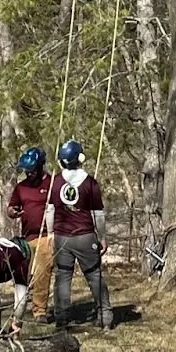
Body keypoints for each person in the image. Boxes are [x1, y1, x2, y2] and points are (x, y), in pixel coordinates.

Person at [47, 138, 114, 332]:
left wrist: (51, 233)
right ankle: (105, 316)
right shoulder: (90, 182)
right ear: (80, 158)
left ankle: (62, 319)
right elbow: (98, 214)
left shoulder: (56, 181)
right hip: (85, 236)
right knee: (94, 275)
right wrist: (102, 236)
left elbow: (50, 210)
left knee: (62, 277)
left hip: (62, 237)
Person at [7, 145, 53, 320]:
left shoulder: (51, 184)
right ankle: (20, 307)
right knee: (24, 275)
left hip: (46, 236)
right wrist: (13, 212)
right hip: (27, 237)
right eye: (26, 171)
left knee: (42, 273)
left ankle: (39, 311)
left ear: (41, 166)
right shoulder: (21, 187)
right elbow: (11, 207)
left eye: (32, 170)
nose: (29, 174)